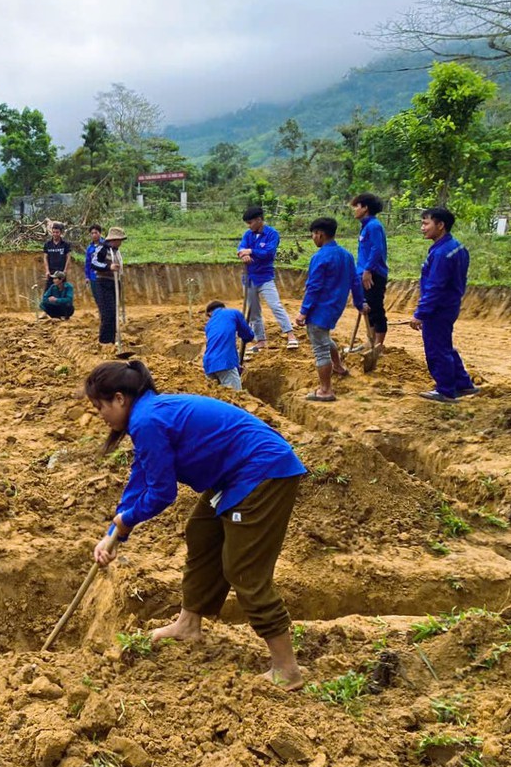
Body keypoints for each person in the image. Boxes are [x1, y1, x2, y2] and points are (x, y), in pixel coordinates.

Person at [86, 360, 306, 691]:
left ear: (119, 398)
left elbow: (162, 493)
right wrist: (112, 536)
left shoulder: (147, 420)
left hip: (262, 471)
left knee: (243, 568)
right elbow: (141, 479)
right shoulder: (146, 416)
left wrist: (126, 521)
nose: (99, 415)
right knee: (202, 532)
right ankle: (188, 624)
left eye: (99, 407)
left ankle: (286, 669)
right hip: (232, 477)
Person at [409, 208, 477, 402]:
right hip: (450, 304)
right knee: (444, 345)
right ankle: (463, 384)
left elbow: (435, 286)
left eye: (426, 223)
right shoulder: (457, 247)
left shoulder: (441, 253)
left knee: (436, 349)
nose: (422, 228)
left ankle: (445, 390)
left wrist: (421, 313)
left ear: (440, 225)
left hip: (438, 308)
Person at [295, 218, 364, 402]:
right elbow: (355, 282)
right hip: (335, 308)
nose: (313, 238)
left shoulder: (320, 257)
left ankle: (325, 390)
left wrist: (303, 311)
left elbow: (314, 287)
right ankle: (338, 366)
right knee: (325, 338)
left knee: (320, 349)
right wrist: (360, 303)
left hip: (320, 309)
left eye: (313, 234)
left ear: (320, 234)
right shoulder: (346, 255)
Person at [237, 208, 299, 352]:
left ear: (259, 220)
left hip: (265, 278)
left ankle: (290, 335)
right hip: (249, 278)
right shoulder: (248, 234)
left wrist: (251, 251)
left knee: (275, 305)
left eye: (250, 223)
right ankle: (261, 341)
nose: (249, 226)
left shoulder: (272, 234)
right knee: (253, 312)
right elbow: (241, 248)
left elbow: (269, 253)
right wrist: (243, 254)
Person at [351, 193, 388, 353]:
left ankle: (378, 346)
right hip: (364, 272)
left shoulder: (373, 226)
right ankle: (370, 342)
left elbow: (377, 249)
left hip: (373, 274)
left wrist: (368, 270)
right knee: (368, 308)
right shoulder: (366, 226)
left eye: (357, 206)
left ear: (365, 208)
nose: (354, 209)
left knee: (376, 308)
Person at [203, 300, 254, 391]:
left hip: (208, 364)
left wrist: (236, 366)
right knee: (235, 395)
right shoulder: (233, 313)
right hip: (225, 362)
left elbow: (219, 345)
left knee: (216, 396)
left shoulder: (209, 325)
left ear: (210, 312)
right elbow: (247, 335)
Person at [91, 227, 125, 345]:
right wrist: (108, 267)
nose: (121, 243)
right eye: (120, 240)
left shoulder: (116, 251)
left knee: (114, 312)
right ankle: (105, 341)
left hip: (114, 282)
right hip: (103, 283)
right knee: (108, 313)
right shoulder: (102, 249)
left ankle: (112, 339)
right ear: (114, 240)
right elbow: (94, 263)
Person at [41, 222, 72, 314]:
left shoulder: (65, 244)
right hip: (51, 272)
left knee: (62, 292)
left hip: (61, 273)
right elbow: (45, 257)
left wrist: (65, 270)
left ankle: (62, 312)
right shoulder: (47, 244)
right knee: (48, 291)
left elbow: (68, 257)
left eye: (57, 232)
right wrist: (47, 270)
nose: (55, 234)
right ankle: (45, 312)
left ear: (61, 233)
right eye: (53, 232)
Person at [83, 225, 103, 305]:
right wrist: (87, 277)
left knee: (104, 296)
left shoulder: (105, 245)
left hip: (104, 275)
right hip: (93, 276)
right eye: (92, 233)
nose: (94, 235)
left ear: (100, 233)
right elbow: (88, 263)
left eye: (96, 233)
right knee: (96, 296)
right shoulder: (89, 248)